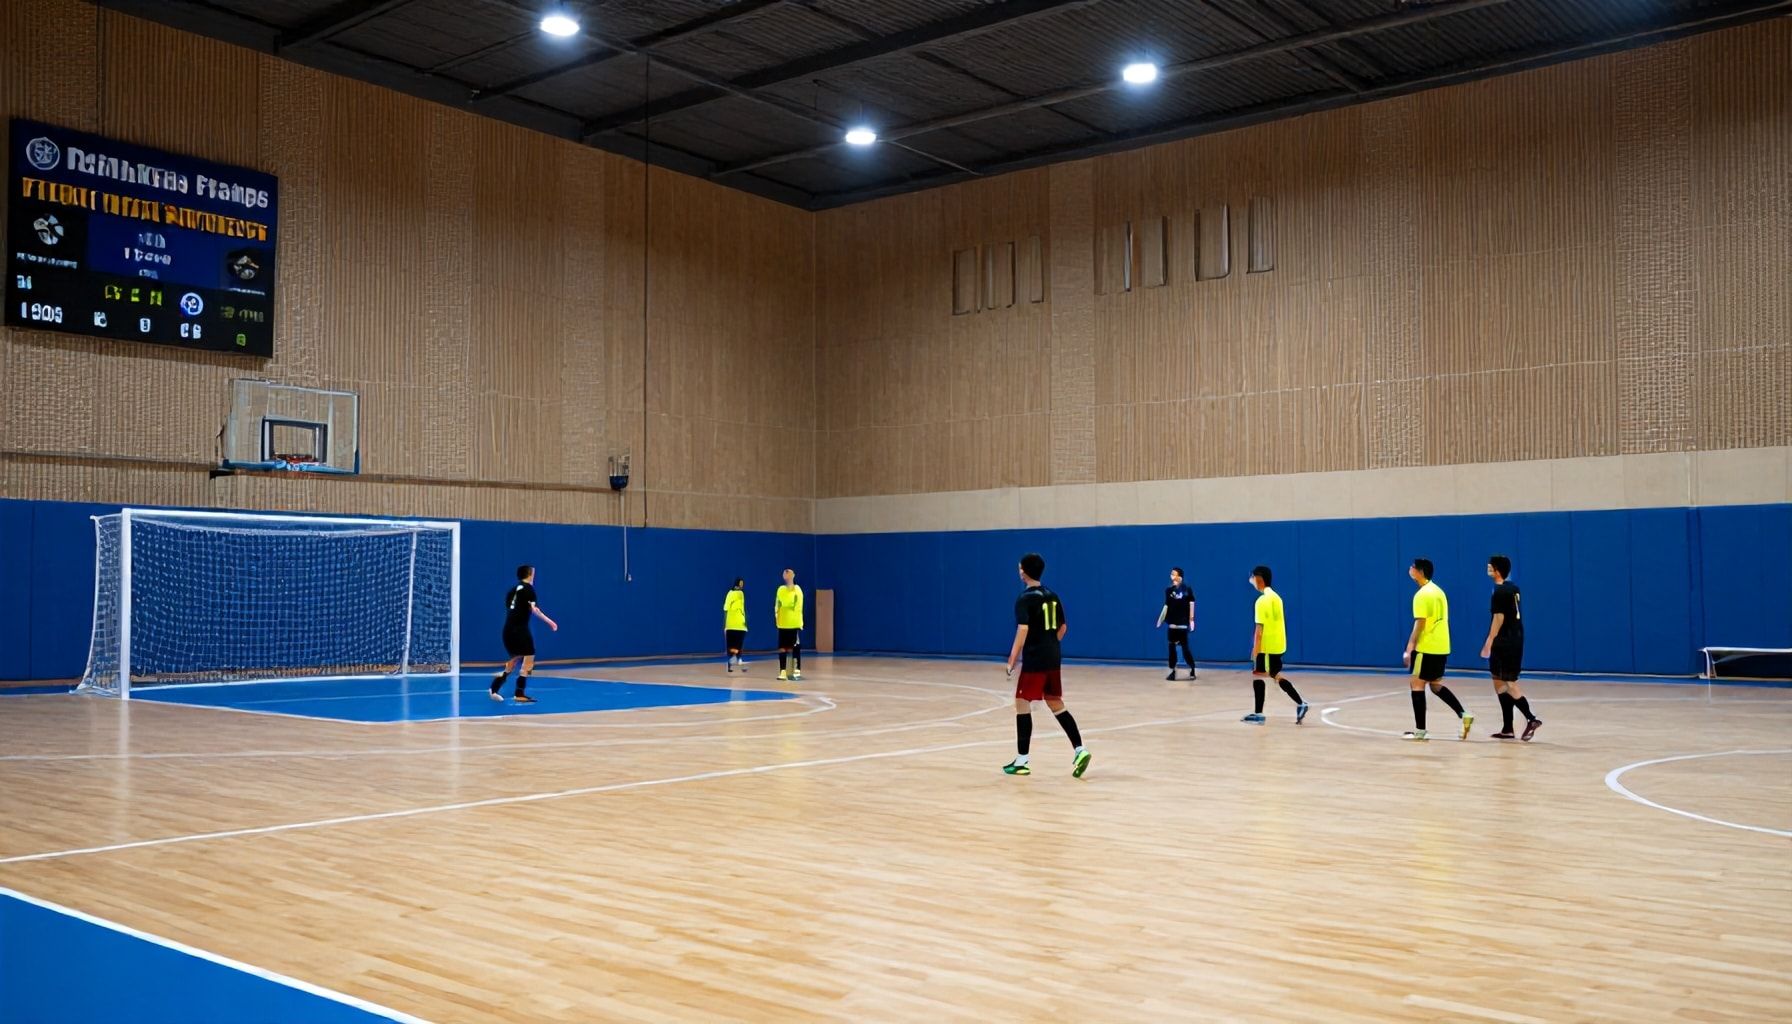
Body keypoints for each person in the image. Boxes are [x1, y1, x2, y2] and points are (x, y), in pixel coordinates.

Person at [1003, 552, 1091, 778]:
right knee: (1055, 702)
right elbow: (1063, 628)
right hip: (1053, 656)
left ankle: (1022, 761)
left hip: (1035, 659)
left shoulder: (1024, 599)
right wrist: (1050, 644)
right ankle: (1080, 749)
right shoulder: (1052, 595)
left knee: (1022, 702)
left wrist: (1012, 659)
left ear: (1023, 572)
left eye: (1020, 567)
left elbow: (1023, 629)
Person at [1402, 558, 1471, 741]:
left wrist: (1410, 647)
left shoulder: (1422, 595)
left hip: (1427, 647)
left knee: (1417, 684)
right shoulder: (1438, 591)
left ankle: (1420, 731)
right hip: (1442, 646)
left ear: (1420, 572)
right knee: (1435, 684)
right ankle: (1464, 714)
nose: (1410, 569)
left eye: (1413, 567)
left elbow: (1420, 623)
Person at [1481, 554, 1541, 741]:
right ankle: (1508, 728)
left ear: (1497, 570)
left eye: (1490, 566)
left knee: (1509, 682)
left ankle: (1531, 719)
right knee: (1498, 681)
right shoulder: (1512, 588)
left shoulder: (1500, 592)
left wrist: (1489, 641)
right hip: (1514, 638)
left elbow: (1499, 619)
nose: (1488, 568)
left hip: (1505, 641)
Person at [1241, 565, 1307, 725]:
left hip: (1266, 646)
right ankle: (1301, 703)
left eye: (1253, 578)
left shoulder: (1261, 601)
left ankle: (1259, 714)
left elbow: (1259, 629)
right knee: (1274, 674)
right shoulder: (1277, 598)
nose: (1251, 581)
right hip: (1278, 644)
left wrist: (1255, 649)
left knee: (1258, 676)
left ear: (1259, 579)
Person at [491, 564, 556, 704]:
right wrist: (550, 622)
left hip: (508, 629)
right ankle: (519, 693)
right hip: (519, 629)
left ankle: (495, 686)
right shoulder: (528, 589)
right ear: (529, 574)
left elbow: (511, 608)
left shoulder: (513, 590)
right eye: (533, 573)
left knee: (517, 657)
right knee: (529, 655)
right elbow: (535, 610)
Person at [1157, 567, 1197, 680]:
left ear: (1180, 577)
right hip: (1172, 625)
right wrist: (1161, 619)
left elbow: (1191, 603)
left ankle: (1192, 669)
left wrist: (1191, 620)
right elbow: (1166, 605)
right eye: (1171, 574)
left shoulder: (1187, 590)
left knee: (1185, 648)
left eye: (1175, 574)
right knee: (1171, 648)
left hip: (1182, 624)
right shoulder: (1169, 590)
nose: (1173, 576)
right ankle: (1173, 670)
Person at [774, 568, 804, 681]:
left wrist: (798, 622)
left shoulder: (797, 590)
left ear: (793, 576)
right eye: (785, 574)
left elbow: (797, 606)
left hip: (793, 624)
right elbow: (777, 605)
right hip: (783, 624)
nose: (787, 576)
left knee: (795, 646)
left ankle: (796, 670)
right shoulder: (780, 590)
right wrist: (777, 617)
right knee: (782, 648)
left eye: (789, 574)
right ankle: (783, 671)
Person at [723, 577, 748, 673]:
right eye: (740, 584)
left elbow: (742, 609)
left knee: (737, 643)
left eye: (742, 584)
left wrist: (744, 620)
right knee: (733, 644)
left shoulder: (738, 594)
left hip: (739, 623)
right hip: (733, 623)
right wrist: (726, 625)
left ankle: (736, 659)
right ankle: (734, 661)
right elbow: (726, 608)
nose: (741, 586)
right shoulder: (733, 594)